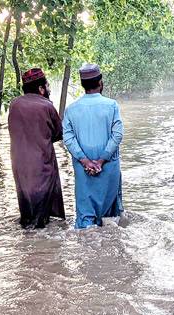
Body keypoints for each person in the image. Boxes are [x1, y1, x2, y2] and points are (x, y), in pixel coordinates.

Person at [63, 63, 124, 228]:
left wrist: (85, 161)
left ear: (83, 85)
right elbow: (117, 135)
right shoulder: (111, 105)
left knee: (85, 220)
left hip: (84, 171)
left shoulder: (71, 109)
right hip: (108, 167)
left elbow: (68, 138)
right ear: (100, 82)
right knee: (110, 220)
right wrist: (101, 160)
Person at [8, 67, 65, 229]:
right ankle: (41, 248)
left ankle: (29, 245)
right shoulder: (46, 106)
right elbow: (58, 133)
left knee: (27, 211)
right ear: (41, 89)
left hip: (19, 166)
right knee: (41, 217)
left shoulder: (14, 104)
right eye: (47, 85)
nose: (49, 89)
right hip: (42, 165)